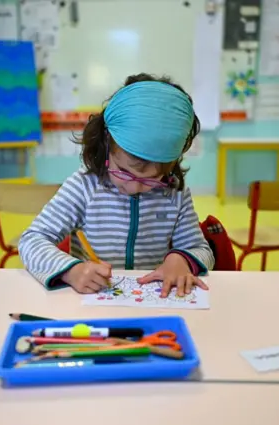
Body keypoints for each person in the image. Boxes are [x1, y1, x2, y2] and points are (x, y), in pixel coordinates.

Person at [18, 73, 215, 297]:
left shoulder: (175, 192)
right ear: (106, 144)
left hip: (153, 302)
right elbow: (32, 240)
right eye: (123, 171)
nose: (135, 187)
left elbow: (202, 250)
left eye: (152, 178)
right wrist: (71, 271)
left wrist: (180, 260)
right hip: (92, 302)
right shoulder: (84, 186)